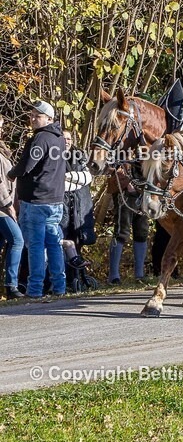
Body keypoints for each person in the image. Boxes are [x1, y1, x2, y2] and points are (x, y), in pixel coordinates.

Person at [7, 101, 67, 298]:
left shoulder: (40, 138)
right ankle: (59, 287)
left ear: (49, 119)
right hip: (55, 200)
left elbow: (27, 166)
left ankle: (35, 290)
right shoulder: (60, 139)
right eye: (32, 115)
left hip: (37, 201)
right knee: (54, 244)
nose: (33, 118)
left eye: (37, 116)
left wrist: (11, 174)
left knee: (36, 246)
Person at [108, 166, 150, 283]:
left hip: (144, 190)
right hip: (123, 191)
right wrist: (127, 182)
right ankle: (114, 276)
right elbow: (109, 166)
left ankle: (139, 275)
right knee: (122, 232)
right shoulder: (118, 148)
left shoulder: (147, 148)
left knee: (142, 231)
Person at [60, 130, 95, 272]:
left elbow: (87, 177)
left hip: (79, 206)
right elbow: (57, 182)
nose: (67, 141)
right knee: (62, 240)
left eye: (69, 138)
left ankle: (74, 276)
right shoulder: (54, 157)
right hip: (62, 205)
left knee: (77, 241)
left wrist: (69, 176)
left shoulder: (79, 156)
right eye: (64, 138)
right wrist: (76, 179)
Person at [0, 116, 25, 299]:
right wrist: (9, 205)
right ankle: (11, 286)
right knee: (17, 240)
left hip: (5, 205)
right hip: (2, 207)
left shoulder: (2, 150)